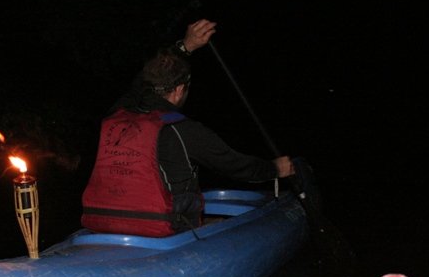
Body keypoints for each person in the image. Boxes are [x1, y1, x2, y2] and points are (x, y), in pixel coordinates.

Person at [81, 19, 295, 237]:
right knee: (217, 222)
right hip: (162, 229)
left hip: (101, 222)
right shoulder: (185, 130)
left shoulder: (116, 113)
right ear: (179, 89)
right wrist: (274, 169)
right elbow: (236, 165)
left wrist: (184, 47)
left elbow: (137, 87)